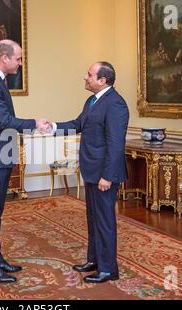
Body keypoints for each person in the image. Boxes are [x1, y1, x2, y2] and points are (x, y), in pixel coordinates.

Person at [0, 39, 49, 283]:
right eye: (17, 58)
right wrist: (34, 124)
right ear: (4, 58)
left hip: (0, 155)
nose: (20, 62)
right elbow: (3, 120)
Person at [51, 62, 129, 284]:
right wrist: (53, 127)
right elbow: (78, 124)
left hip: (104, 174)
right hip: (91, 170)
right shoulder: (92, 101)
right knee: (93, 218)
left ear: (103, 80)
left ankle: (108, 269)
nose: (85, 77)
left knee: (105, 221)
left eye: (89, 74)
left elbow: (115, 143)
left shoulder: (115, 104)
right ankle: (94, 260)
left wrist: (108, 176)